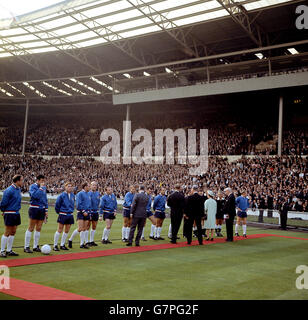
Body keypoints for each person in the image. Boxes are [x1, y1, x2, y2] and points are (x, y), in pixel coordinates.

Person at [24, 175, 48, 253]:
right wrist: (41, 188)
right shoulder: (32, 187)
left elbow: (45, 199)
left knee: (39, 228)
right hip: (34, 208)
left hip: (41, 209)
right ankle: (26, 246)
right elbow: (35, 196)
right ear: (37, 180)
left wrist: (46, 210)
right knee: (31, 227)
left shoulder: (44, 188)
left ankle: (35, 246)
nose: (43, 182)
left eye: (44, 180)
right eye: (41, 180)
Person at [0, 175, 23, 257]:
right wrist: (4, 211)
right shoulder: (9, 190)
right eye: (21, 180)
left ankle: (9, 250)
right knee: (7, 232)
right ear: (17, 181)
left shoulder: (18, 189)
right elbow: (3, 203)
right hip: (10, 213)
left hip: (16, 213)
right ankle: (2, 251)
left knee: (13, 231)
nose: (22, 182)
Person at [68, 182, 91, 249]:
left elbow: (89, 204)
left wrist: (89, 212)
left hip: (87, 213)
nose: (89, 187)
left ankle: (82, 244)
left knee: (84, 229)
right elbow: (78, 204)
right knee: (80, 228)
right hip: (81, 212)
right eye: (88, 186)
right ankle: (70, 239)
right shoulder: (80, 194)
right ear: (85, 187)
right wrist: (83, 211)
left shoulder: (88, 194)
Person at [53, 182, 75, 251]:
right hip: (63, 214)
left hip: (70, 214)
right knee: (60, 229)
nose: (70, 187)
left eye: (71, 186)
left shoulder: (72, 195)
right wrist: (59, 212)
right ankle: (55, 245)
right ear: (65, 187)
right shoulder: (62, 195)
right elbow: (57, 205)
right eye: (68, 186)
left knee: (67, 230)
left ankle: (62, 245)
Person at [87, 181, 100, 246]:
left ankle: (91, 240)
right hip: (89, 212)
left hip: (95, 212)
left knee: (94, 226)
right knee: (87, 226)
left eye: (95, 185)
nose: (94, 186)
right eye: (93, 185)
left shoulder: (98, 193)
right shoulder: (88, 193)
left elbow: (98, 203)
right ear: (90, 186)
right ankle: (86, 241)